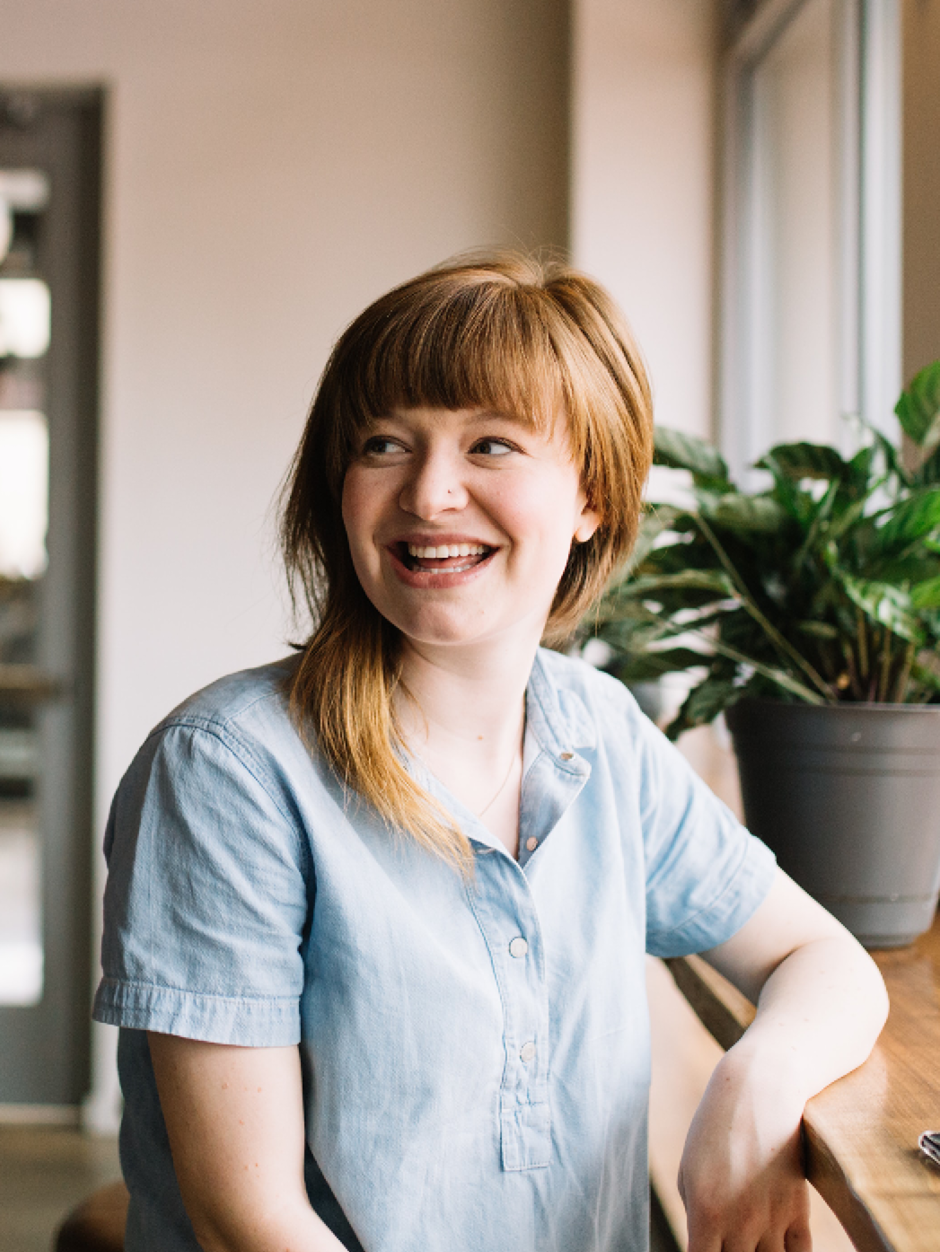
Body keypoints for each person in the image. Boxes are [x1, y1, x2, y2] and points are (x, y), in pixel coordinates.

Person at [94, 253, 888, 1252]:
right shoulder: (227, 769)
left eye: (491, 445)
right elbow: (246, 1220)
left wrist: (755, 1079)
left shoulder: (598, 732)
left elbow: (823, 959)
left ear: (592, 494)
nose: (429, 494)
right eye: (384, 444)